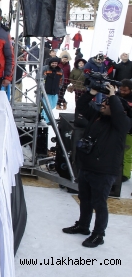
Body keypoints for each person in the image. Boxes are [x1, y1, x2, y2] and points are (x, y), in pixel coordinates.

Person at [62, 84, 130, 248]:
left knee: (99, 203)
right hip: (87, 166)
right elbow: (82, 106)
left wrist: (113, 96)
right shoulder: (97, 116)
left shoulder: (123, 123)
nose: (103, 104)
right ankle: (83, 226)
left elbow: (120, 115)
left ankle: (99, 234)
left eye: (107, 103)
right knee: (84, 199)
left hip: (104, 170)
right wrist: (91, 92)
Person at [117, 79, 132, 182]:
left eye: (125, 90)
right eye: (121, 90)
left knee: (127, 153)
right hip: (117, 129)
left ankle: (125, 174)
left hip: (130, 131)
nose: (122, 92)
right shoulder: (116, 96)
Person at [41, 57, 63, 123]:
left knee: (53, 105)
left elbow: (62, 80)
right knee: (47, 105)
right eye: (53, 63)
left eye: (55, 63)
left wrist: (59, 87)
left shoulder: (60, 70)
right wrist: (42, 86)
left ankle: (43, 115)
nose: (54, 64)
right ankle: (46, 119)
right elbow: (39, 77)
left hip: (55, 91)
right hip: (46, 91)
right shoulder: (45, 68)